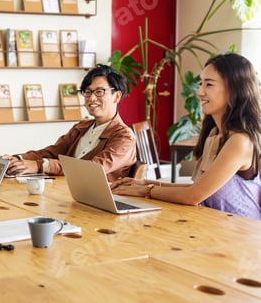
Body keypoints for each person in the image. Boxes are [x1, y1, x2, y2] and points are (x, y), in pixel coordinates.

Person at [112, 53, 261, 220]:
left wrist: (145, 191)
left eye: (209, 84)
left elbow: (193, 196)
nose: (199, 92)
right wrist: (147, 183)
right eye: (200, 84)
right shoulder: (214, 134)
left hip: (244, 236)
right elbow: (199, 187)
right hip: (214, 227)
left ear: (234, 90)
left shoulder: (240, 142)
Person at [2, 64, 136, 181]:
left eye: (99, 92)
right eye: (87, 92)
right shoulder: (81, 127)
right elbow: (53, 152)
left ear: (117, 96)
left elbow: (93, 169)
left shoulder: (124, 137)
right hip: (64, 192)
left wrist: (39, 165)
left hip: (96, 204)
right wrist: (17, 159)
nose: (92, 98)